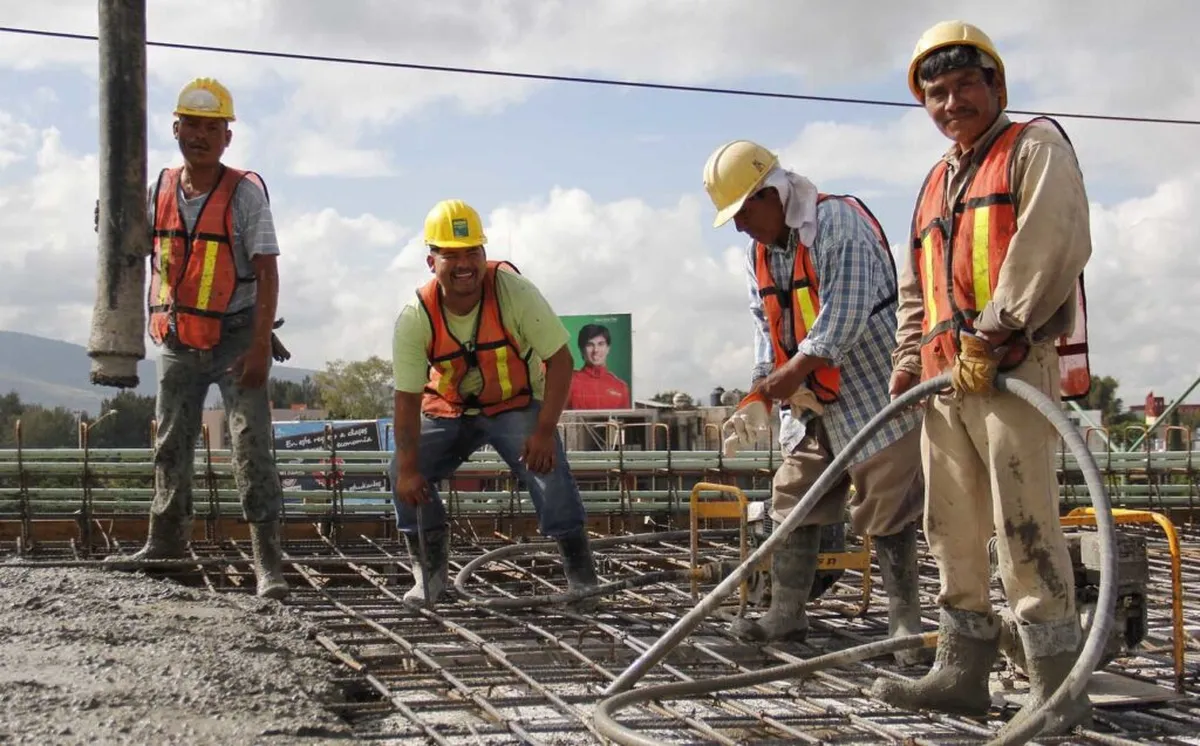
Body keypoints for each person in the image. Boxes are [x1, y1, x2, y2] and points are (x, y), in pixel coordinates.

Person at [870, 21, 1094, 737]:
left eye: (965, 85)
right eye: (935, 93)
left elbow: (1051, 240)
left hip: (1009, 367)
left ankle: (1056, 690)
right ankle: (962, 674)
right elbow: (918, 286)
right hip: (943, 382)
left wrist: (997, 328)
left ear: (996, 85)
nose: (950, 102)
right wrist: (909, 360)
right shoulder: (936, 182)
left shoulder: (1033, 148)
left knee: (1023, 526)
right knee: (952, 530)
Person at [704, 140, 928, 666]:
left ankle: (905, 629)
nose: (739, 227)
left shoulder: (837, 226)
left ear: (771, 193)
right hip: (813, 400)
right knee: (793, 495)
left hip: (873, 391)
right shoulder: (761, 250)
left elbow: (842, 318)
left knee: (889, 507)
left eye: (742, 213)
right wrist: (764, 383)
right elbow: (767, 322)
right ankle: (787, 613)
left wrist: (789, 374)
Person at [101, 78, 290, 600]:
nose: (200, 137)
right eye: (192, 126)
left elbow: (269, 272)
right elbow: (131, 241)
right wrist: (110, 218)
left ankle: (267, 563)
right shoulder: (159, 188)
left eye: (212, 129)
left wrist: (257, 345)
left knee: (251, 443)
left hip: (236, 334)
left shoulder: (244, 193)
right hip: (181, 335)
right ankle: (166, 545)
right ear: (175, 129)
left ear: (227, 138)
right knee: (171, 442)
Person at [389, 199, 601, 610]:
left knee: (547, 467)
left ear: (485, 254)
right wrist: (410, 467)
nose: (464, 263)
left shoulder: (513, 292)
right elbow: (406, 398)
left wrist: (542, 432)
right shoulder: (417, 316)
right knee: (403, 468)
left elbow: (560, 360)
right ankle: (430, 576)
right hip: (451, 409)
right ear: (432, 261)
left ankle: (582, 579)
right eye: (451, 254)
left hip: (515, 404)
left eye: (472, 252)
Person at [567, 323, 632, 409]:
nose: (596, 350)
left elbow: (625, 422)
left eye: (601, 344)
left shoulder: (621, 387)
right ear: (582, 350)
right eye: (590, 345)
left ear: (608, 348)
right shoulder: (569, 382)